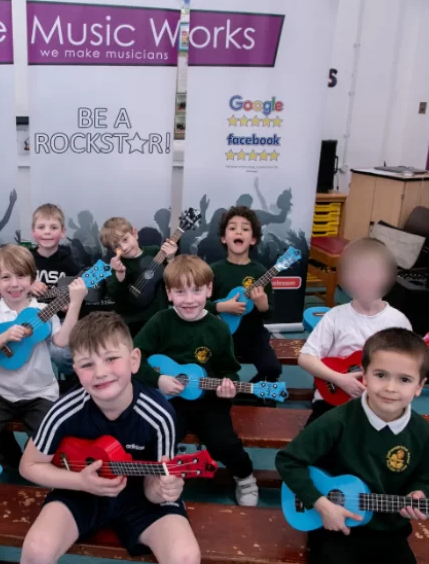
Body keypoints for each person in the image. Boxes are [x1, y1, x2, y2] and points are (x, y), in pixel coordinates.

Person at [20, 312, 200, 564]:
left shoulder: (160, 415)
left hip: (140, 496)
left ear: (134, 360)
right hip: (80, 490)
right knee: (35, 552)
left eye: (111, 358)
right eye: (87, 364)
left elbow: (155, 491)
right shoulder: (64, 410)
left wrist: (166, 489)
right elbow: (29, 465)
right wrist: (81, 482)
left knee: (185, 563)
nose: (101, 372)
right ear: (75, 371)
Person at [276, 328, 429, 564]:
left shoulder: (423, 433)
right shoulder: (336, 420)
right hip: (333, 526)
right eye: (381, 375)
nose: (390, 387)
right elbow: (288, 460)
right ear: (364, 373)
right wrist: (322, 504)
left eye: (405, 379)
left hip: (388, 530)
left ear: (420, 386)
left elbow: (425, 478)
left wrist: (421, 492)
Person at [133, 255, 259, 506]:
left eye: (197, 290)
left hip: (209, 401)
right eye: (180, 292)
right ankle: (158, 482)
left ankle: (245, 477)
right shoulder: (160, 322)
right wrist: (158, 380)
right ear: (169, 293)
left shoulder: (218, 328)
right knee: (155, 438)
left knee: (224, 442)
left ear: (209, 290)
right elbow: (135, 358)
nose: (189, 300)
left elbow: (229, 370)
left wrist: (227, 386)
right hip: (168, 400)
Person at [0, 245, 86, 466]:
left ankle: (28, 458)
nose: (14, 284)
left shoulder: (43, 310)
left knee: (50, 442)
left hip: (39, 395)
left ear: (32, 279)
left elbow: (63, 341)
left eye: (21, 276)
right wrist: (2, 338)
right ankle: (9, 452)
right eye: (6, 277)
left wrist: (76, 304)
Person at [298, 238, 411, 424]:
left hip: (377, 404)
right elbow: (305, 357)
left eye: (373, 271)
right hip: (332, 399)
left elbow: (406, 370)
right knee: (314, 446)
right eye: (357, 271)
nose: (365, 278)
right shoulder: (335, 316)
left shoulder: (398, 321)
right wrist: (339, 379)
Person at [208, 207, 282, 399]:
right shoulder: (213, 271)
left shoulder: (261, 272)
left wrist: (262, 304)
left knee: (272, 368)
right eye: (232, 228)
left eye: (245, 229)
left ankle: (248, 392)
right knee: (209, 372)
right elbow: (202, 306)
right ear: (224, 238)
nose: (238, 231)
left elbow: (268, 313)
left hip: (253, 336)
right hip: (222, 337)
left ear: (253, 239)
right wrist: (222, 307)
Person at [27, 203, 82, 376]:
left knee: (60, 353)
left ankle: (72, 382)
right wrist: (29, 285)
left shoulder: (70, 263)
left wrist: (70, 302)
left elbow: (80, 289)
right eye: (41, 227)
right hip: (28, 317)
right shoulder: (25, 259)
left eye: (53, 227)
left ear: (63, 232)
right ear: (33, 231)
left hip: (59, 320)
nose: (47, 232)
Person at [101, 216, 178, 337]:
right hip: (131, 327)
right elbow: (116, 295)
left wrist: (171, 258)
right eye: (117, 246)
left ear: (134, 234)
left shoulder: (156, 252)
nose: (124, 248)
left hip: (159, 320)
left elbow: (174, 280)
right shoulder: (114, 265)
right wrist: (119, 274)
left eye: (125, 239)